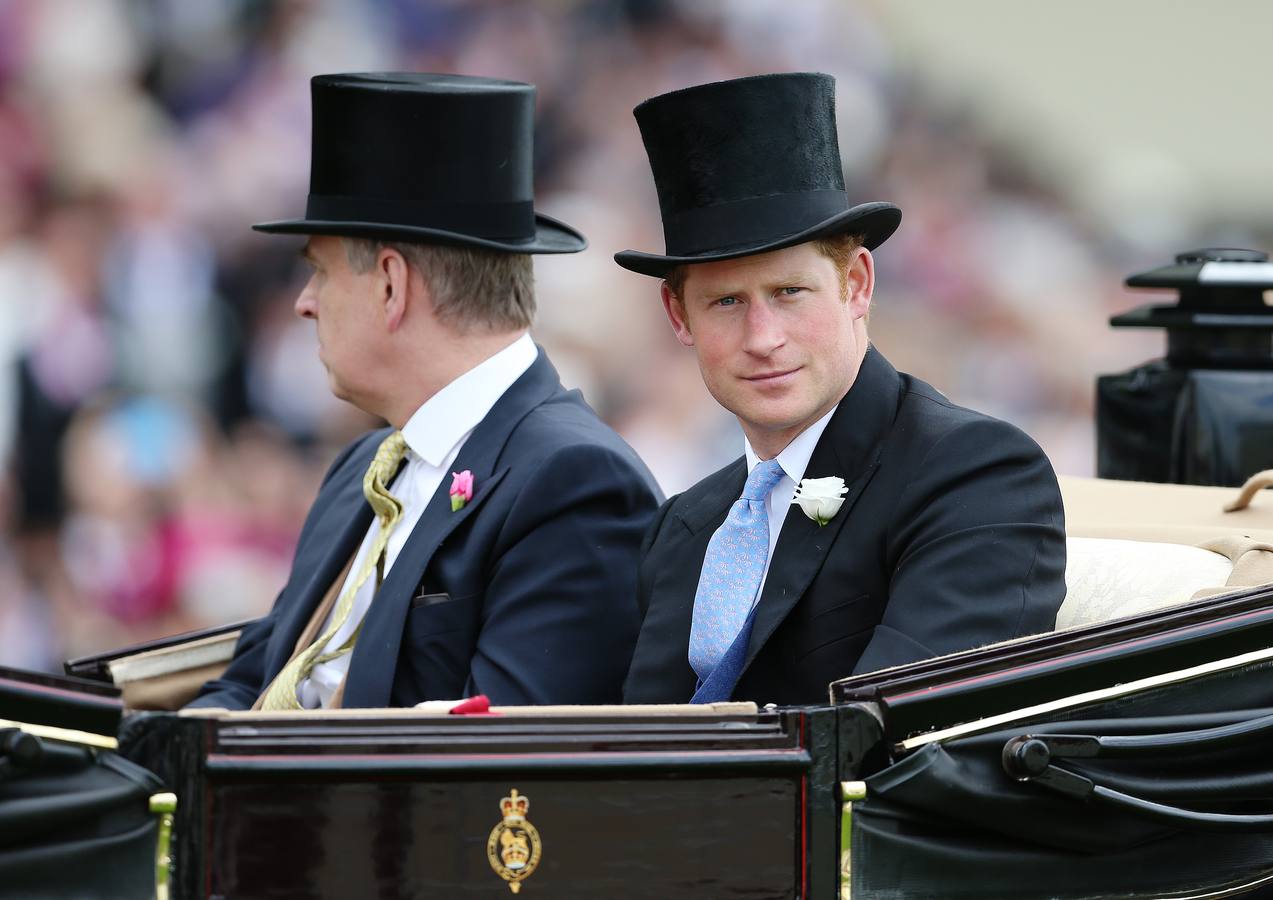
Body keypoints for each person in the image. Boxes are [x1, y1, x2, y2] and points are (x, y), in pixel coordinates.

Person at [188, 73, 661, 710]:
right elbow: (256, 679)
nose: (304, 303)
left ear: (390, 285)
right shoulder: (365, 466)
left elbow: (495, 777)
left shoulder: (573, 481)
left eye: (320, 273)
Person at [618, 73, 1065, 706]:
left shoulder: (974, 474)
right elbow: (633, 746)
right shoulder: (684, 526)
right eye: (724, 302)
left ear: (856, 283)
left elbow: (903, 741)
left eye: (789, 293)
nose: (762, 337)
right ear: (679, 317)